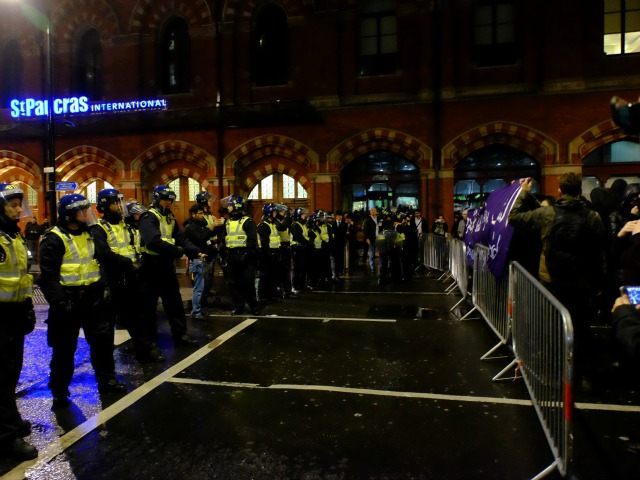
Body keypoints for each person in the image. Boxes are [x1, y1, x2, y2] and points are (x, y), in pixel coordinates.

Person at [508, 174, 606, 383]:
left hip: (551, 279)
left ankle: (554, 374)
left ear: (560, 191)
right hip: (581, 281)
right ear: (579, 191)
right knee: (580, 328)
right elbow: (598, 252)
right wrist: (598, 282)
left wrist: (523, 192)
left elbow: (514, 217)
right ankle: (584, 375)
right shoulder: (592, 217)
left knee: (552, 326)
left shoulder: (548, 214)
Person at [38, 193, 126, 409]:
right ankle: (59, 392)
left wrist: (103, 285)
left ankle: (107, 380)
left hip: (93, 299)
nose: (87, 214)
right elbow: (48, 277)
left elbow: (100, 261)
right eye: (82, 210)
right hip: (68, 302)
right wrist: (60, 302)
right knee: (64, 349)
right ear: (70, 215)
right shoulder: (54, 238)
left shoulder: (90, 235)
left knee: (103, 343)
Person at [138, 185, 202, 358]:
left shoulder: (169, 218)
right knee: (148, 308)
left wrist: (195, 251)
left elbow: (181, 238)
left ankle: (180, 335)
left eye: (171, 200)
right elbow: (153, 241)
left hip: (166, 265)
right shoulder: (148, 217)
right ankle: (149, 343)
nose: (169, 203)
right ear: (157, 199)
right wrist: (178, 251)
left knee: (174, 303)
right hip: (151, 267)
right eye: (166, 199)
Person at [0, 184, 38, 460]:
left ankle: (9, 421)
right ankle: (6, 437)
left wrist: (26, 307)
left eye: (17, 204)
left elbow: (21, 277)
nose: (16, 210)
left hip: (12, 314)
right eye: (11, 205)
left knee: (10, 374)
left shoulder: (12, 236)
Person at [91, 189, 146, 361]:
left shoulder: (125, 225)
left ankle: (143, 351)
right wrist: (128, 263)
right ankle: (105, 361)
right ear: (105, 206)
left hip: (129, 278)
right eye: (116, 203)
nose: (120, 206)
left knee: (135, 317)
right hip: (111, 279)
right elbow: (104, 253)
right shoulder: (99, 228)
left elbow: (132, 247)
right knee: (107, 323)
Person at [221, 195, 260, 314]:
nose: (228, 207)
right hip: (232, 256)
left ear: (236, 206)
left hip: (245, 256)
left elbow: (252, 241)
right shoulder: (228, 222)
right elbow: (224, 239)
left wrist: (247, 254)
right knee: (233, 283)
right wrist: (222, 255)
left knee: (248, 283)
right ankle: (239, 306)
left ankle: (253, 306)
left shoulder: (247, 221)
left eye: (230, 205)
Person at [183, 204, 217, 320]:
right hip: (197, 259)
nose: (203, 215)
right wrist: (211, 228)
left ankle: (198, 309)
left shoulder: (200, 225)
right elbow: (201, 238)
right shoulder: (191, 227)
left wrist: (216, 227)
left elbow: (207, 238)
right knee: (198, 288)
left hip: (204, 258)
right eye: (200, 213)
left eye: (203, 213)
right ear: (193, 214)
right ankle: (196, 311)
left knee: (202, 287)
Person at [290, 207, 312, 293]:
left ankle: (302, 285)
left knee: (303, 268)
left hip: (303, 248)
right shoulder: (296, 224)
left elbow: (306, 235)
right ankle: (296, 286)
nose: (305, 216)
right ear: (299, 215)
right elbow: (299, 237)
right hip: (298, 248)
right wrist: (308, 242)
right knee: (298, 269)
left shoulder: (303, 224)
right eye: (303, 214)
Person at [363, 207, 379, 273]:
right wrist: (367, 238)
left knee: (379, 253)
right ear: (370, 212)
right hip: (371, 238)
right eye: (372, 211)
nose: (373, 212)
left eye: (374, 211)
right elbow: (365, 230)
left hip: (379, 238)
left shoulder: (378, 219)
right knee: (371, 253)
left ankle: (379, 267)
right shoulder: (367, 220)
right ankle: (372, 267)